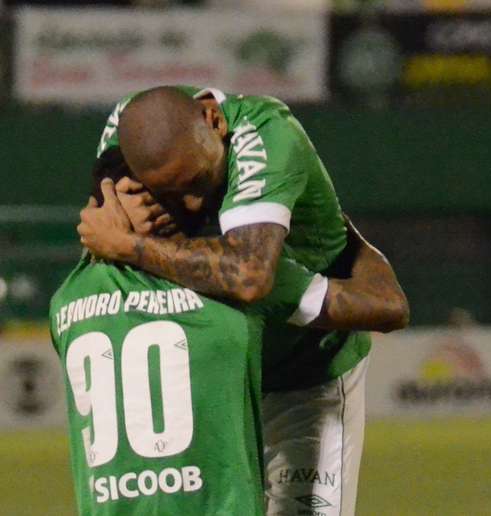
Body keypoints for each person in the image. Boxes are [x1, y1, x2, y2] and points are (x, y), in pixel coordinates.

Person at [79, 86, 405, 515]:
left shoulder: (265, 137)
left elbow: (251, 278)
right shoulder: (129, 129)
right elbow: (98, 224)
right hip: (214, 388)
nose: (194, 203)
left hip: (304, 379)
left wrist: (131, 246)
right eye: (170, 194)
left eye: (197, 182)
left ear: (214, 120)